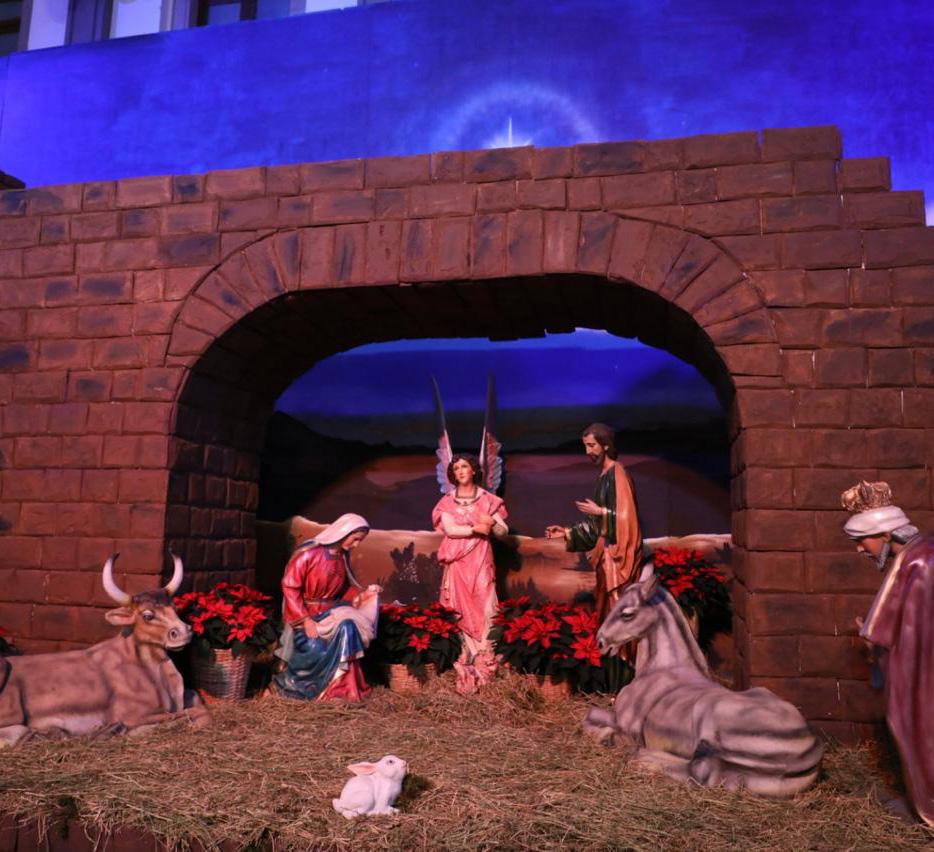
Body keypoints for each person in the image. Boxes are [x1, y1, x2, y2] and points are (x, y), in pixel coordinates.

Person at [841, 480, 933, 826]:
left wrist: (878, 641)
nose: (859, 550)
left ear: (884, 534)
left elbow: (918, 634)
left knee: (921, 724)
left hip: (925, 672)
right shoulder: (917, 556)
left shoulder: (920, 564)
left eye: (861, 540)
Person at [273, 513, 380, 702]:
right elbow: (290, 587)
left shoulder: (342, 557)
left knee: (349, 628)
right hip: (307, 615)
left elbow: (345, 590)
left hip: (332, 614)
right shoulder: (309, 554)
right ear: (343, 532)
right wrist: (305, 621)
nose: (356, 545)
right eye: (355, 539)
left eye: (360, 541)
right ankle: (296, 689)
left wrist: (366, 595)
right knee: (314, 647)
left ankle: (343, 689)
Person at [545, 423, 643, 626]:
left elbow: (628, 518)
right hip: (606, 557)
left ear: (606, 445)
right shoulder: (604, 476)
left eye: (591, 445)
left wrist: (601, 512)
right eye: (585, 446)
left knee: (619, 611)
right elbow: (596, 526)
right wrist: (566, 532)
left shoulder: (618, 473)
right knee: (606, 611)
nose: (587, 451)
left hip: (617, 558)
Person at [432, 453, 508, 693]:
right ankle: (467, 657)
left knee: (486, 605)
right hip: (458, 561)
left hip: (481, 558)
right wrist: (476, 528)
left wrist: (492, 525)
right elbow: (451, 530)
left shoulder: (488, 500)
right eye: (456, 468)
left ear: (474, 470)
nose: (460, 471)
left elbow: (503, 531)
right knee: (460, 607)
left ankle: (485, 658)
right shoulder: (447, 502)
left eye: (464, 466)